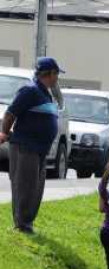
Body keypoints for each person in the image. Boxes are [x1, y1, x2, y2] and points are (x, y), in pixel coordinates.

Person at [0, 57, 63, 233]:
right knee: (25, 186)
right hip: (25, 147)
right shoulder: (30, 91)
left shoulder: (45, 93)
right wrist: (4, 133)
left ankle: (28, 223)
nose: (57, 78)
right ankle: (21, 225)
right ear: (49, 74)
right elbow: (10, 113)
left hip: (40, 150)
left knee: (36, 188)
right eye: (56, 74)